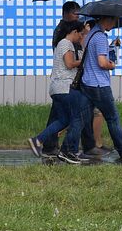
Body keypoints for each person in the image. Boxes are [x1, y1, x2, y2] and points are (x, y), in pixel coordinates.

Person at [78, 16, 122, 163]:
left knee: (80, 119)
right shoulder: (100, 37)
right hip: (100, 85)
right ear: (106, 19)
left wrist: (113, 47)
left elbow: (94, 56)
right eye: (113, 21)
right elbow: (102, 63)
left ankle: (67, 150)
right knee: (113, 119)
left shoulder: (91, 35)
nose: (114, 24)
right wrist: (112, 65)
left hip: (87, 83)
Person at [28, 19, 89, 163]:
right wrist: (85, 60)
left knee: (63, 120)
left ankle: (37, 141)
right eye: (80, 34)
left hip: (57, 88)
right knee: (79, 116)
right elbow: (69, 64)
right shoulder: (66, 43)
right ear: (73, 32)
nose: (81, 37)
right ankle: (69, 151)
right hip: (65, 87)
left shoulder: (63, 43)